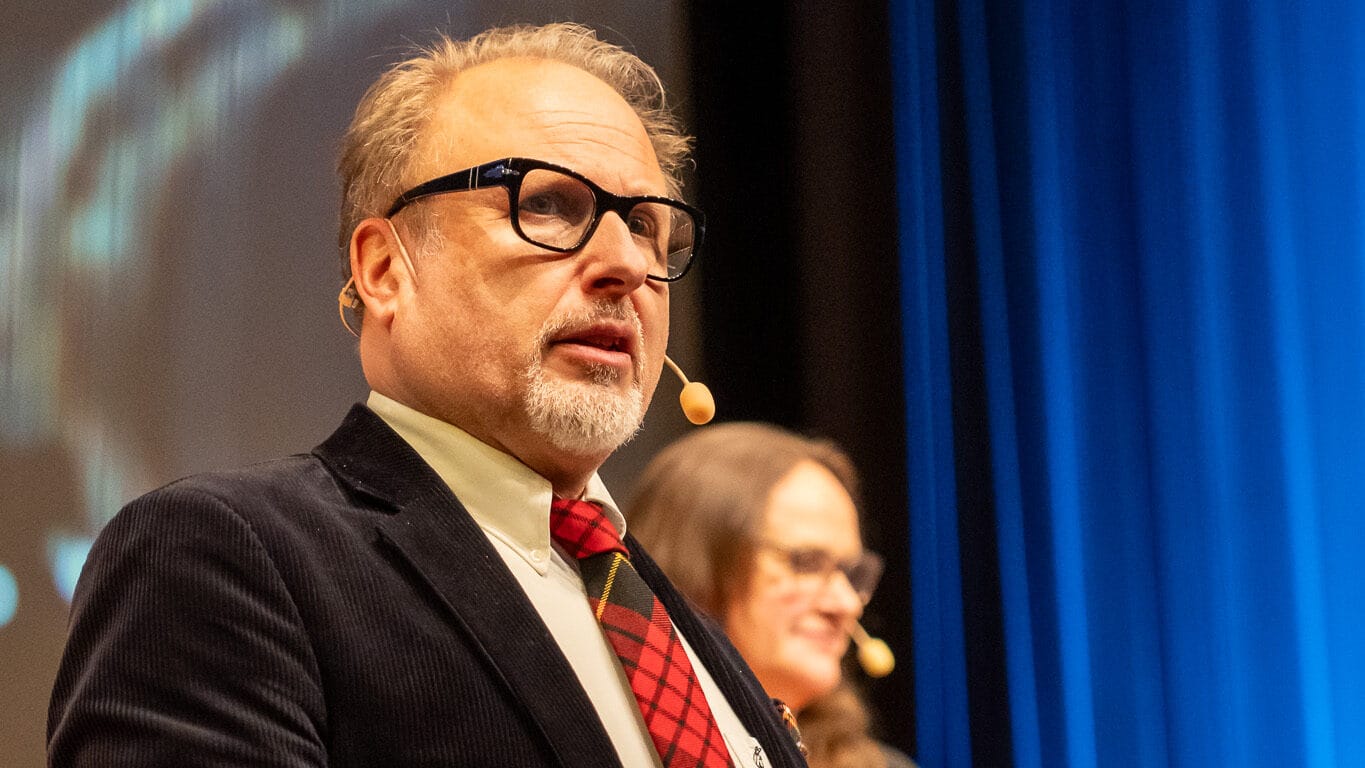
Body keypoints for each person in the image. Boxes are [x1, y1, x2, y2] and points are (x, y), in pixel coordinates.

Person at [47, 23, 807, 768]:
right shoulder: (224, 557)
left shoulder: (673, 620)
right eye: (545, 203)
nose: (624, 264)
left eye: (644, 224)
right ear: (384, 269)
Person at [628, 423, 917, 768]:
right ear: (696, 565)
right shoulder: (614, 743)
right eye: (806, 563)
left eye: (853, 574)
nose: (847, 604)